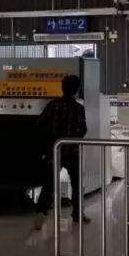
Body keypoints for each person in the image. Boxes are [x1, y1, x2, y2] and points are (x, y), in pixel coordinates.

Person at [34, 74, 90, 230]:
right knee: (77, 184)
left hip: (54, 151)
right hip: (72, 152)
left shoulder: (53, 105)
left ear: (62, 88)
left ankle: (40, 213)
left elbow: (40, 125)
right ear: (76, 90)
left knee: (49, 183)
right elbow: (82, 130)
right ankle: (77, 215)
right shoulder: (78, 108)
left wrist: (48, 143)